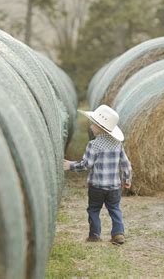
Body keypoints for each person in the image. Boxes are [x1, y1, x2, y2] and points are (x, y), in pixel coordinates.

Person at [63, 104, 132, 245]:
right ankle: (118, 234)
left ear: (100, 127)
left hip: (97, 187)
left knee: (93, 209)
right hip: (114, 187)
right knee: (114, 209)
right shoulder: (117, 144)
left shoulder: (93, 145)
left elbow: (86, 164)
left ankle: (94, 235)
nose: (90, 127)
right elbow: (126, 164)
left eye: (93, 124)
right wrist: (127, 178)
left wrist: (70, 165)